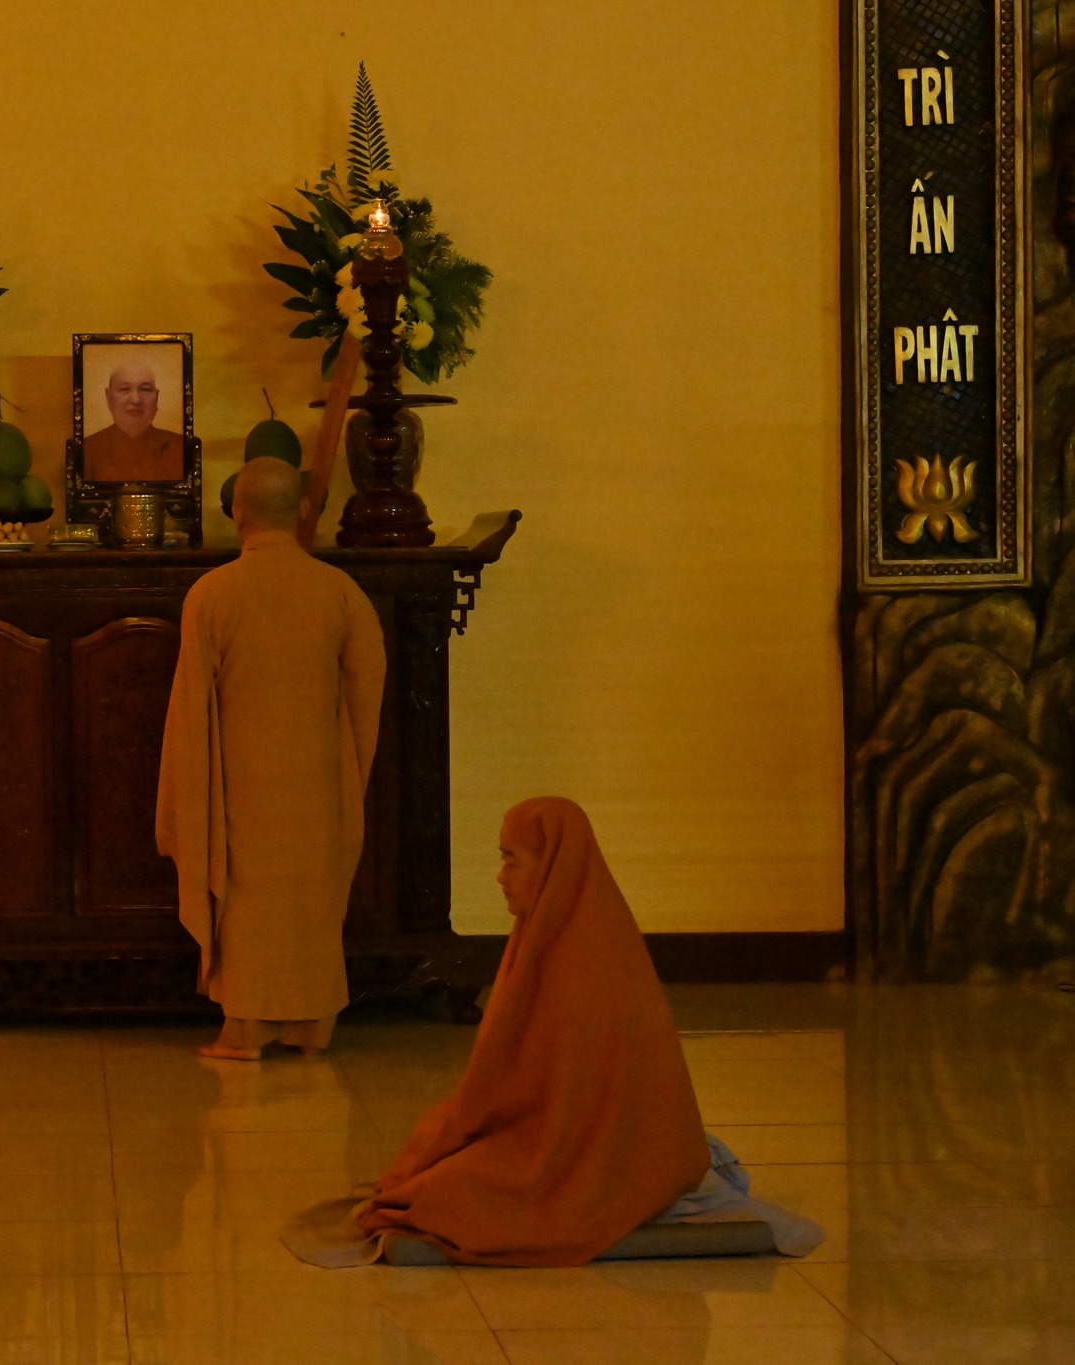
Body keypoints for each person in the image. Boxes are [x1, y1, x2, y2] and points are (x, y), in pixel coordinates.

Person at [285, 797, 822, 1267]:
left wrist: (484, 1138)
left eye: (511, 860)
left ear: (552, 869)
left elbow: (573, 1111)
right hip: (555, 1131)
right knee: (435, 1146)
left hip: (592, 1149)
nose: (500, 876)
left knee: (452, 1194)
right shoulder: (543, 934)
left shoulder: (588, 957)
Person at [156, 457, 386, 1059]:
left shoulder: (212, 594)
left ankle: (248, 1027)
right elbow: (367, 691)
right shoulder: (341, 592)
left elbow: (190, 709)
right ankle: (313, 1023)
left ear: (237, 513)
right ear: (304, 511)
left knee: (247, 897)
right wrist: (347, 771)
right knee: (313, 896)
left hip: (241, 780)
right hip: (318, 780)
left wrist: (186, 800)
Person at [81, 359, 184, 481]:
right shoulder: (87, 449)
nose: (136, 399)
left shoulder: (180, 447)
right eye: (125, 389)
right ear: (109, 398)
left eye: (145, 389)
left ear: (156, 398)